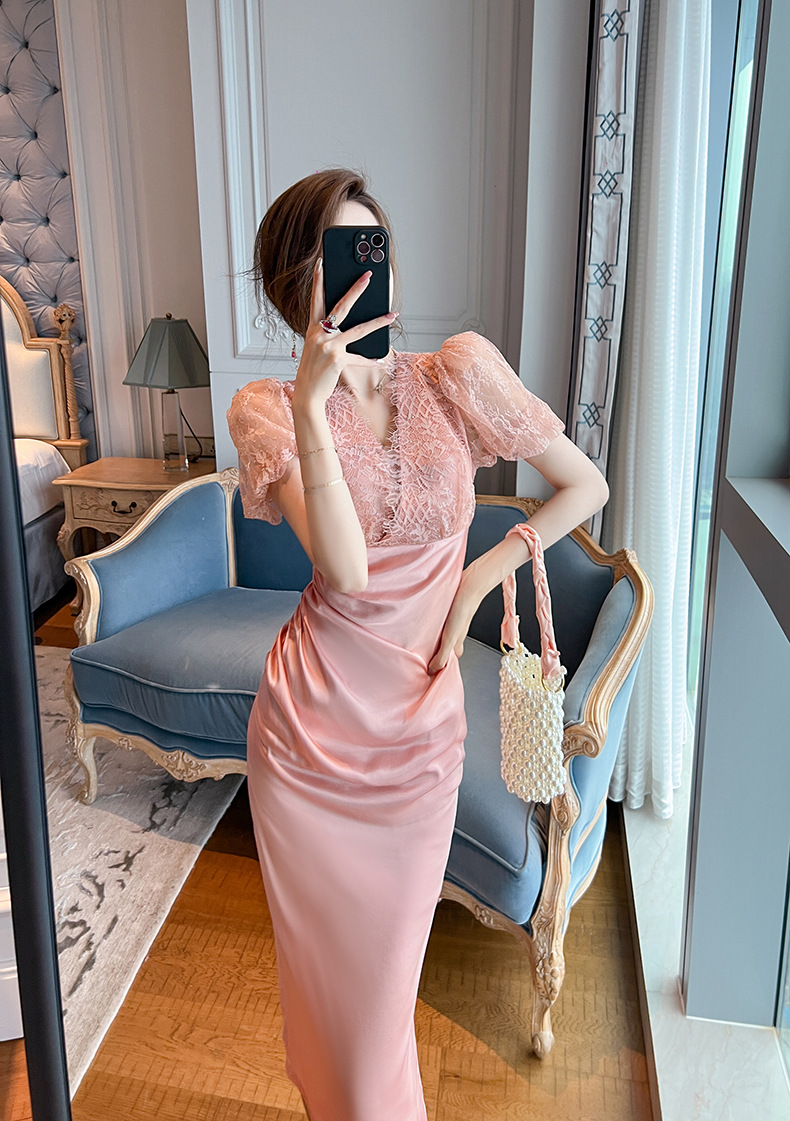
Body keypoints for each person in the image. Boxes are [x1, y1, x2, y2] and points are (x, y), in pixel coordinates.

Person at [227, 168, 609, 1121]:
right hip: (310, 741)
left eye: (373, 248)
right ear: (294, 285)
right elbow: (347, 571)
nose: (363, 275)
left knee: (380, 1007)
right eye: (335, 258)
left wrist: (477, 578)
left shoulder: (456, 373)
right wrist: (313, 407)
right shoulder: (268, 407)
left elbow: (585, 486)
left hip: (418, 746)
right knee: (337, 1017)